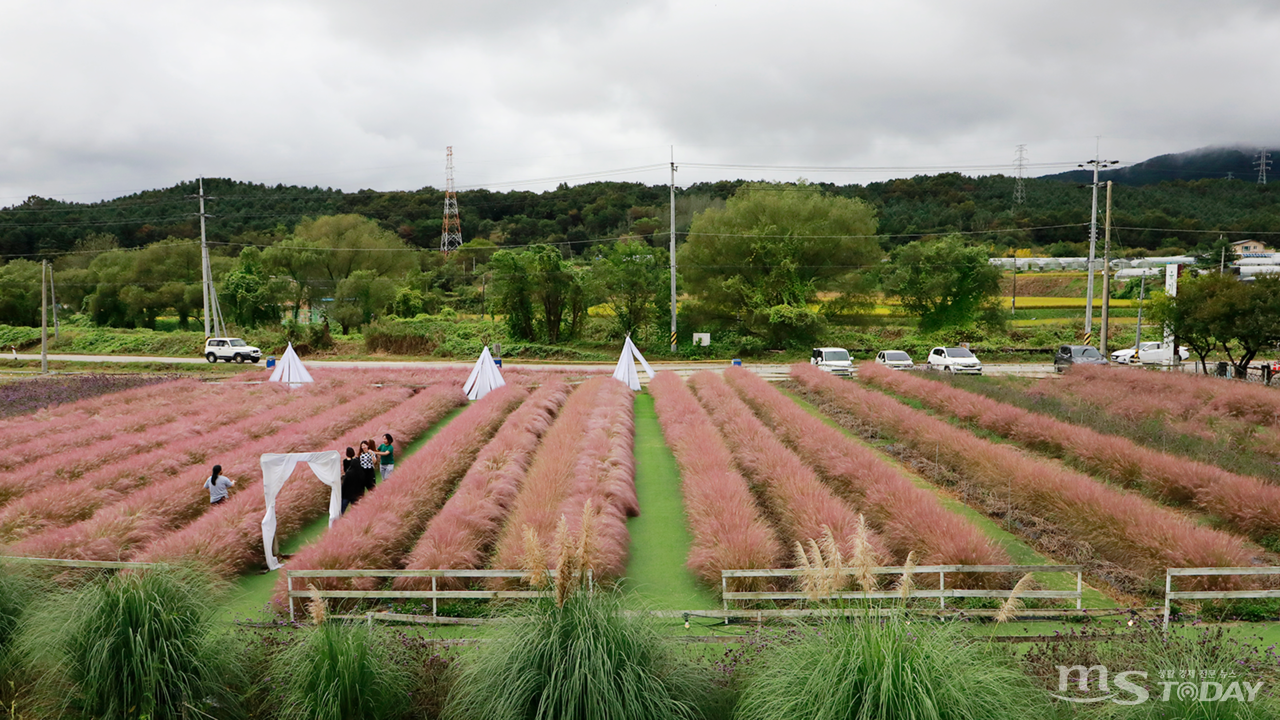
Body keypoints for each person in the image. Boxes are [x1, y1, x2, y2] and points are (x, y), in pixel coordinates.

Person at [340, 446, 361, 513]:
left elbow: (345, 470)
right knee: (355, 506)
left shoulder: (345, 461)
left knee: (343, 507)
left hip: (348, 484)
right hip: (355, 486)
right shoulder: (356, 460)